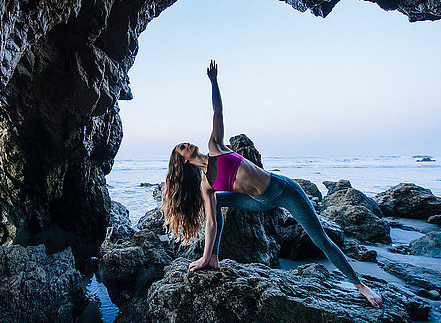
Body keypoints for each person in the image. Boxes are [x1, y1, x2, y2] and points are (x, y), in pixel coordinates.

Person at [161, 60, 383, 309]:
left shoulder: (216, 147)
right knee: (213, 207)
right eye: (182, 147)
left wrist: (214, 83)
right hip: (257, 202)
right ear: (182, 159)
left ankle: (360, 286)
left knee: (321, 239)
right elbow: (211, 222)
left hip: (284, 191)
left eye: (185, 142)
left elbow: (218, 112)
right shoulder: (206, 185)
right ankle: (213, 258)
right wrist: (204, 256)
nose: (187, 143)